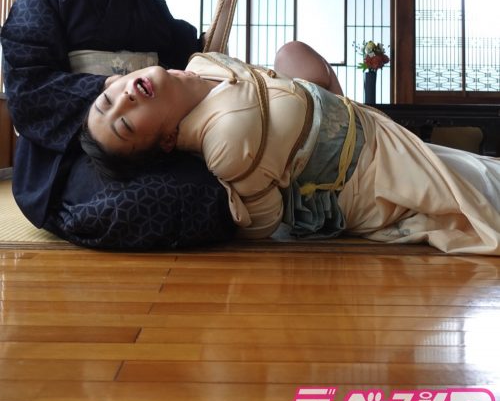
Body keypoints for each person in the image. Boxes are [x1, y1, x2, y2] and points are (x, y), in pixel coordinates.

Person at [0, 0, 248, 250]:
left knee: (220, 183)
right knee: (132, 204)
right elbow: (29, 91)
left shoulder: (144, 2)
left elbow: (198, 64)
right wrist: (115, 88)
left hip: (145, 146)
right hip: (77, 154)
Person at [83, 43, 500, 255]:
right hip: (371, 176)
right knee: (482, 194)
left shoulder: (199, 66)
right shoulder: (226, 139)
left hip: (372, 128)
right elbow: (264, 221)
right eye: (124, 123)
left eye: (108, 100)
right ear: (167, 140)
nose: (124, 100)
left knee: (291, 52)